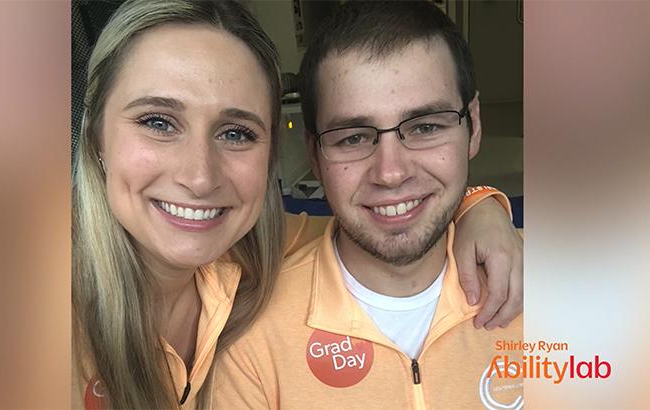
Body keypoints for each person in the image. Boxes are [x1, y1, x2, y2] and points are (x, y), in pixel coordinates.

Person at [71, 1, 521, 408]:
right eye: (158, 122)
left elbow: (390, 222)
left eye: (235, 133)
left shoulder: (260, 246)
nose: (199, 176)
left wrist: (478, 204)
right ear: (96, 135)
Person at [209, 2, 525, 409]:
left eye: (426, 127)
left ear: (474, 126)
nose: (391, 172)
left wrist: (481, 202)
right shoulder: (250, 342)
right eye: (353, 137)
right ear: (314, 155)